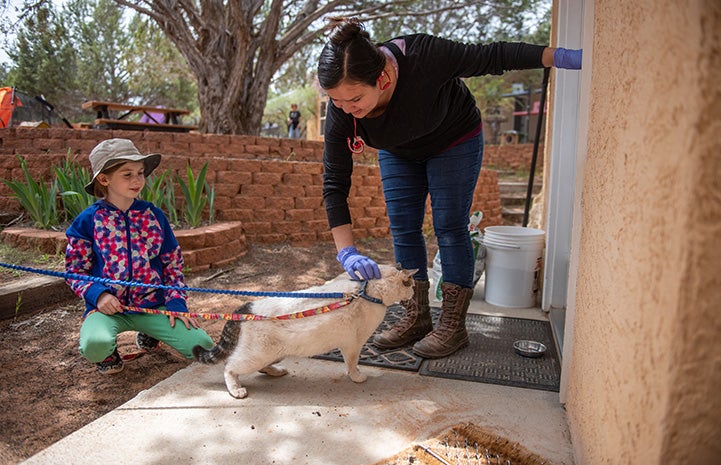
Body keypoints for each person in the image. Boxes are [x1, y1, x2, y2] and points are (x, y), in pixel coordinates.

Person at [317, 17, 582, 359]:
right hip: (400, 152)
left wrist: (557, 56)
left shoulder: (425, 56)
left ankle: (453, 326)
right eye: (335, 102)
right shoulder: (342, 113)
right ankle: (416, 316)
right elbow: (334, 182)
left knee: (449, 224)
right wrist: (346, 251)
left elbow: (493, 56)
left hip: (453, 139)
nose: (345, 110)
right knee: (403, 227)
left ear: (382, 78)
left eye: (353, 99)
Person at [64, 138, 214, 374]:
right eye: (127, 174)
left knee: (202, 346)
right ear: (104, 179)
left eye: (140, 173)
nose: (137, 180)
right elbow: (75, 271)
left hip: (153, 306)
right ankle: (107, 353)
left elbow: (172, 265)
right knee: (95, 344)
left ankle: (150, 331)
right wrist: (99, 295)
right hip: (107, 309)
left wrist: (176, 303)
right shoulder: (87, 220)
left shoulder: (154, 215)